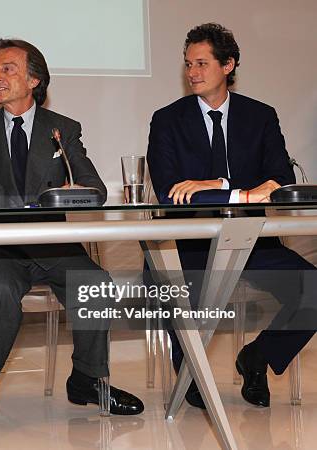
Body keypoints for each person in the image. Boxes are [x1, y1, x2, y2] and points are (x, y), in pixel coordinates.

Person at [0, 38, 144, 432]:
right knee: (0, 291)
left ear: (34, 79)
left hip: (53, 246)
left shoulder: (62, 130)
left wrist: (77, 193)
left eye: (8, 69)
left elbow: (95, 189)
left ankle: (86, 379)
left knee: (95, 283)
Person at [147, 23, 315, 409]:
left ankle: (258, 357)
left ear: (228, 65)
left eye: (202, 63)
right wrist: (242, 189)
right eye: (189, 64)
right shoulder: (167, 120)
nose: (192, 72)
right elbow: (171, 192)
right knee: (174, 285)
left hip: (252, 241)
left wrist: (214, 184)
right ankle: (190, 374)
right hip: (188, 244)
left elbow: (281, 181)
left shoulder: (261, 116)